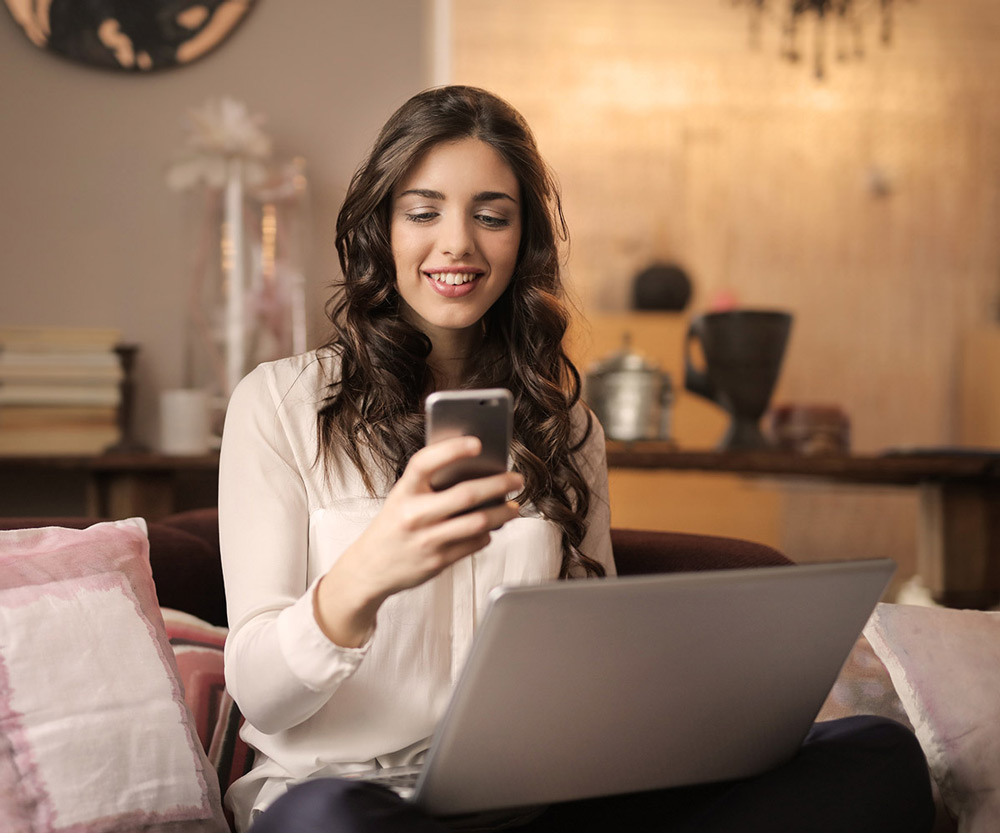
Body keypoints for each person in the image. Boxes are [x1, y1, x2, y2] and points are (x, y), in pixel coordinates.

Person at [218, 85, 934, 833]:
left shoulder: (566, 429)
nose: (457, 243)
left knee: (878, 755)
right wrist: (368, 573)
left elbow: (591, 661)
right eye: (423, 212)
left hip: (531, 802)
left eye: (491, 216)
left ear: (522, 240)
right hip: (351, 797)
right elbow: (261, 692)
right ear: (381, 230)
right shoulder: (282, 405)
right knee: (329, 824)